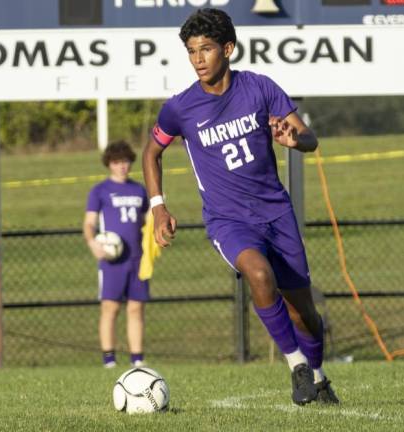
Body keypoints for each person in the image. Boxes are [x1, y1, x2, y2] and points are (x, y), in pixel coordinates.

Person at [142, 8, 339, 405]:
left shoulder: (260, 88)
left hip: (276, 214)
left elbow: (309, 138)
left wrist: (294, 141)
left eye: (207, 49)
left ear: (228, 49)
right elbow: (151, 154)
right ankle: (297, 365)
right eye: (191, 51)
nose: (198, 59)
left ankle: (317, 378)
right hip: (228, 220)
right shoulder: (179, 108)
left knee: (305, 312)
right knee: (259, 274)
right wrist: (158, 207)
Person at [83, 140, 150, 369]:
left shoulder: (140, 190)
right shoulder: (99, 191)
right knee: (110, 307)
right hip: (112, 261)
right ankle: (109, 359)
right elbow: (89, 223)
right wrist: (93, 243)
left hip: (137, 258)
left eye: (125, 162)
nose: (122, 166)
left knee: (136, 307)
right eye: (117, 162)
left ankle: (137, 359)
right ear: (109, 164)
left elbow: (147, 221)